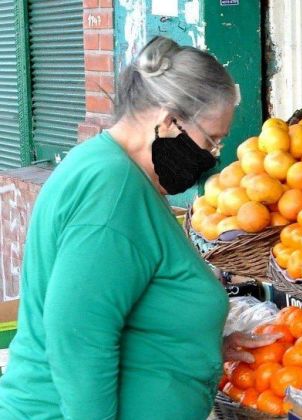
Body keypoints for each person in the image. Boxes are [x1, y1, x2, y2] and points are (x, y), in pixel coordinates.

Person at [0, 37, 273, 419]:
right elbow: (78, 337)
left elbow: (131, 297)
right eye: (212, 140)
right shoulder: (112, 190)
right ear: (168, 124)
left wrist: (200, 342)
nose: (212, 156)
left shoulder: (120, 172)